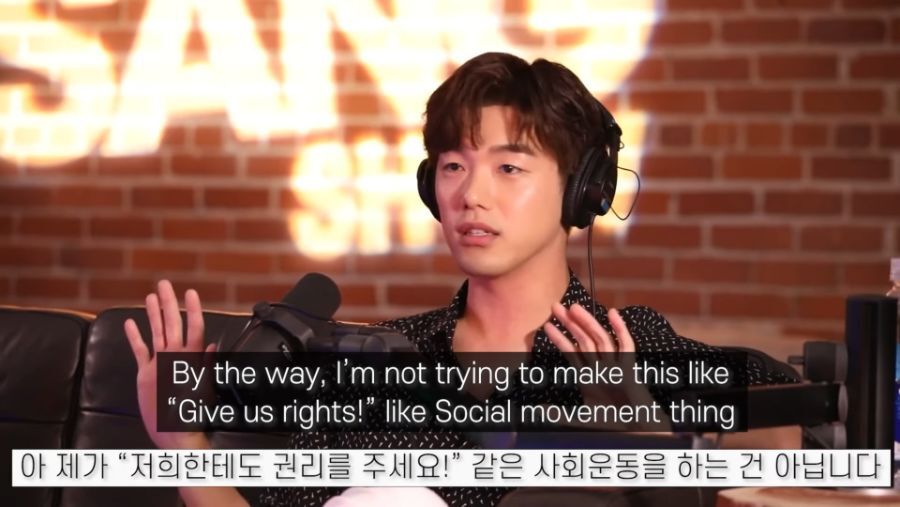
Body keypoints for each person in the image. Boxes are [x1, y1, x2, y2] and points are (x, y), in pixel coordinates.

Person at [125, 52, 794, 507]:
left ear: (581, 192)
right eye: (452, 166)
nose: (471, 194)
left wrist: (642, 429)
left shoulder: (628, 346)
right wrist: (185, 442)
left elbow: (787, 423)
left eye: (509, 168)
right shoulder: (380, 360)